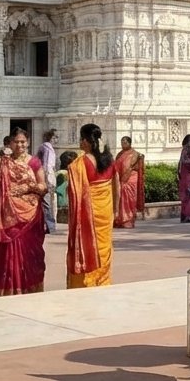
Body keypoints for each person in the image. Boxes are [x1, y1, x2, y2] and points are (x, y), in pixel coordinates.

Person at [0, 128, 48, 295]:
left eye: (23, 142)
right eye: (16, 142)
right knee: (8, 254)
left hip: (31, 215)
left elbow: (44, 186)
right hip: (7, 217)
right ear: (10, 143)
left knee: (30, 254)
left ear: (27, 143)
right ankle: (8, 290)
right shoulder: (0, 163)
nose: (20, 145)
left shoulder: (34, 162)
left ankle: (30, 287)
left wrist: (29, 187)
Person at [66, 123, 115, 287]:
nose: (80, 143)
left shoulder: (81, 163)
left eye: (81, 139)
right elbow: (117, 185)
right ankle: (102, 280)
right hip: (106, 211)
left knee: (88, 244)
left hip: (90, 212)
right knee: (103, 246)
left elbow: (74, 190)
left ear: (87, 141)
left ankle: (87, 281)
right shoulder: (110, 160)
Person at [112, 136, 145, 229]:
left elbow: (137, 167)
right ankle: (120, 220)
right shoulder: (119, 154)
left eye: (125, 142)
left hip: (131, 179)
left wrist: (129, 171)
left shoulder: (135, 154)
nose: (123, 144)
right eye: (122, 142)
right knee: (120, 199)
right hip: (121, 179)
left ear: (130, 143)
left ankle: (128, 220)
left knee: (130, 199)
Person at [35, 131, 59, 235]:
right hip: (46, 177)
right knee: (47, 202)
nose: (57, 140)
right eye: (55, 137)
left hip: (43, 177)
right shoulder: (47, 147)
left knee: (45, 202)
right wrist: (48, 180)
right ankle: (50, 226)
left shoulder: (44, 147)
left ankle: (46, 225)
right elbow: (47, 165)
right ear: (51, 138)